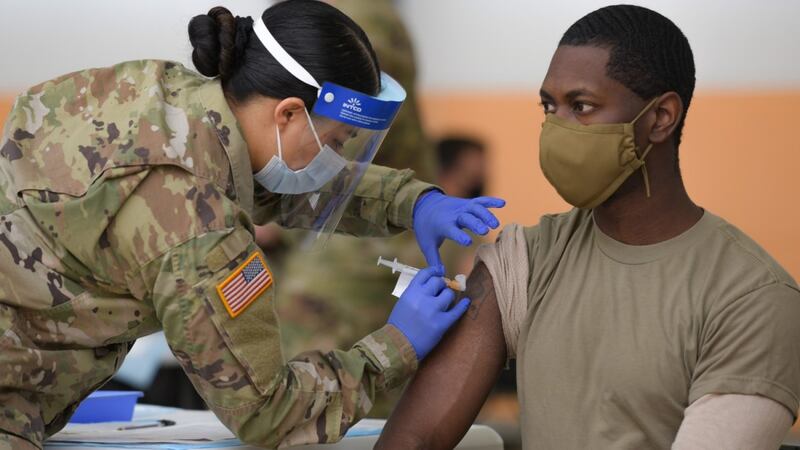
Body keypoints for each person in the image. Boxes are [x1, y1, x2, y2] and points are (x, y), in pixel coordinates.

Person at [0, 1, 506, 448]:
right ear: (288, 114)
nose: (334, 159)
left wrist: (411, 202)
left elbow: (261, 181)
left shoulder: (159, 96)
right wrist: (396, 345)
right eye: (334, 142)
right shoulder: (199, 228)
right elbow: (269, 414)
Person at [376, 5, 800, 450]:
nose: (556, 129)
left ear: (661, 117)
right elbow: (414, 438)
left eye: (581, 106)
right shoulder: (527, 258)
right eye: (549, 106)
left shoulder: (751, 297)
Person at [270, 0, 450, 419]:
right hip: (349, 224)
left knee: (310, 392)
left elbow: (337, 142)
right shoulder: (354, 14)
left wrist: (269, 205)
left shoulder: (353, 19)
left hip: (358, 233)